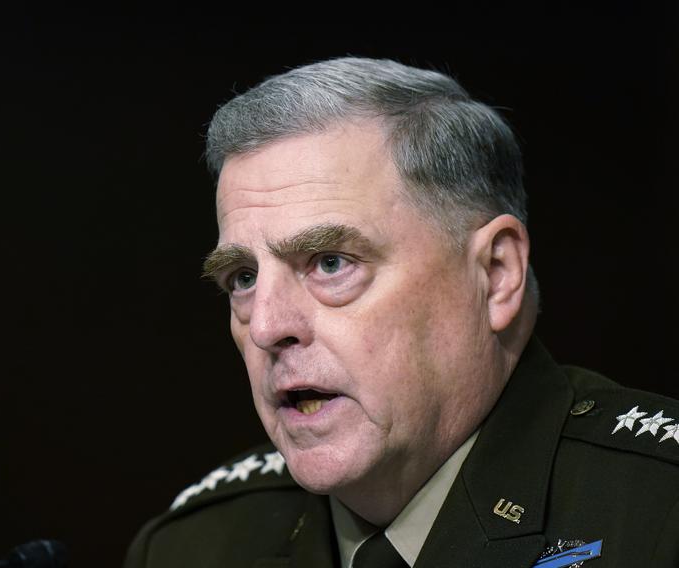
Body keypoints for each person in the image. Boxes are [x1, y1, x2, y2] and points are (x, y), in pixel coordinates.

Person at [124, 57, 679, 567]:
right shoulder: (191, 547)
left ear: (496, 274)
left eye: (330, 263)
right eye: (242, 278)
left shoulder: (657, 515)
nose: (268, 327)